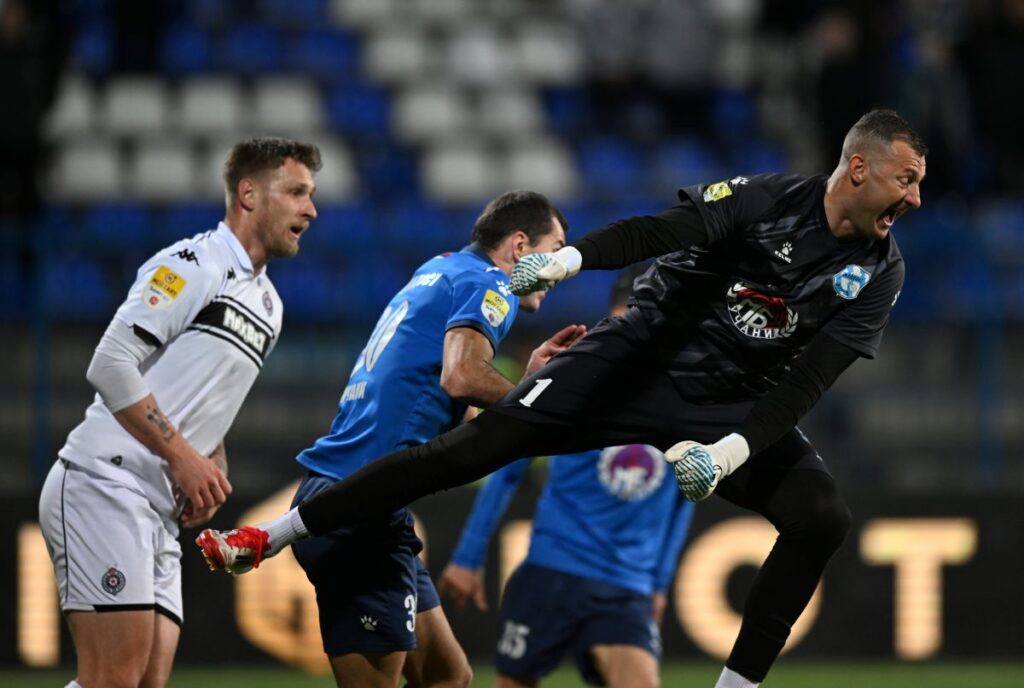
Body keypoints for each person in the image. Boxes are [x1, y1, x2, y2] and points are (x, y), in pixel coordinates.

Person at [199, 109, 926, 688]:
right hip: (633, 361)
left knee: (822, 516)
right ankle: (276, 534)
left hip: (727, 403)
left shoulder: (880, 271)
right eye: (906, 178)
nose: (916, 197)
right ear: (857, 168)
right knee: (470, 451)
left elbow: (809, 380)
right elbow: (657, 232)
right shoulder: (769, 199)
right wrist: (571, 259)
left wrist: (730, 449)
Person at [200, 190, 585, 688]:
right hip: (357, 506)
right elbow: (463, 377)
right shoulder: (493, 282)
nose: (560, 268)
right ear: (518, 246)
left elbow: (440, 397)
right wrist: (538, 406)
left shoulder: (441, 269)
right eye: (553, 250)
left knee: (449, 676)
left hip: (364, 499)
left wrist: (525, 384)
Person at [38, 137, 321, 688]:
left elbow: (201, 393)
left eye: (310, 195)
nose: (310, 209)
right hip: (105, 480)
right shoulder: (193, 264)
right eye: (296, 192)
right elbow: (110, 364)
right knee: (112, 680)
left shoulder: (269, 305)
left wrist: (210, 457)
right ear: (248, 195)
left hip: (159, 508)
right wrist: (182, 455)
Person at [437, 268, 696, 688]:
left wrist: (660, 584)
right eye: (623, 319)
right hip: (551, 571)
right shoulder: (572, 376)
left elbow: (687, 497)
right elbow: (509, 468)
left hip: (624, 588)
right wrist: (468, 556)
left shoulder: (688, 396)